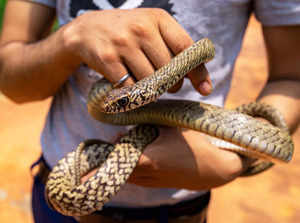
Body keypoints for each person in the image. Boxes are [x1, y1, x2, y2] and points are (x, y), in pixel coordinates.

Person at [0, 0, 300, 222]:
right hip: (60, 198)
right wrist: (72, 37)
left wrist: (237, 160)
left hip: (180, 212)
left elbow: (292, 78)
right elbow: (9, 74)